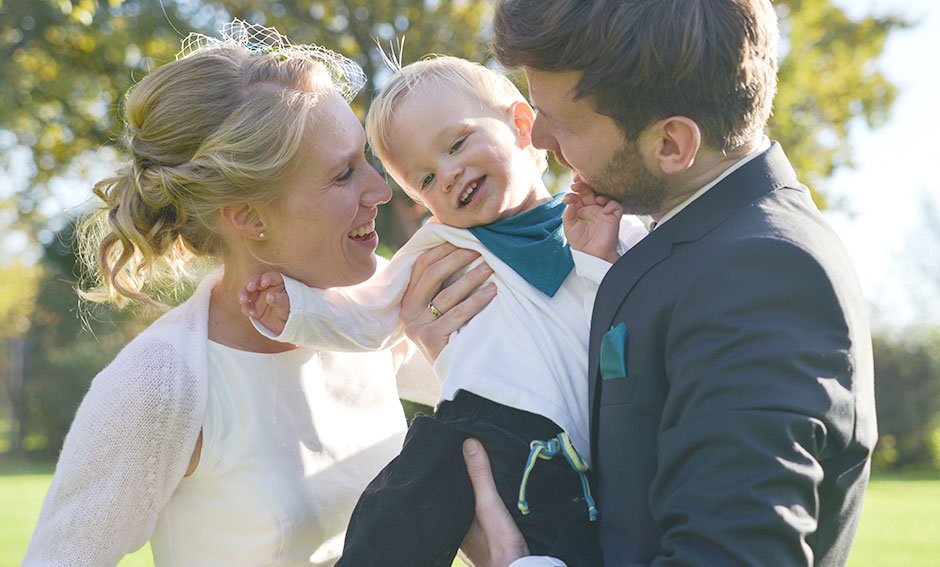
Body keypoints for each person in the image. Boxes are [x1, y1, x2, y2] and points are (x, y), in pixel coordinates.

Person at [22, 21, 491, 566]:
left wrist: (446, 350)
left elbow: (527, 405)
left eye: (366, 159)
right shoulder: (161, 383)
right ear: (250, 217)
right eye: (343, 175)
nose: (382, 191)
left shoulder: (378, 303)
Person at [446, 1, 879, 566]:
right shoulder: (700, 242)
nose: (540, 136)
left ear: (672, 144)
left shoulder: (762, 274)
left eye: (563, 122)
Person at [237, 55, 648, 567]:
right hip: (469, 423)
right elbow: (369, 315)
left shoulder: (605, 224)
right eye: (427, 179)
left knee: (560, 542)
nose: (449, 174)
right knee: (395, 512)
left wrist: (598, 262)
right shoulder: (441, 245)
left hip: (568, 445)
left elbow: (630, 338)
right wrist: (296, 309)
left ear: (522, 125)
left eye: (457, 144)